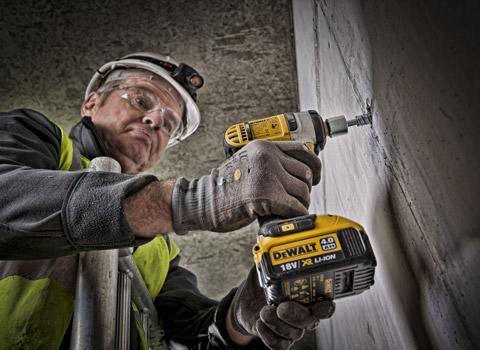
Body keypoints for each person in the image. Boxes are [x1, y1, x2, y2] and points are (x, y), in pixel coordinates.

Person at [0, 52, 335, 349]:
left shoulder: (159, 250)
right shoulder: (38, 139)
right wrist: (193, 201)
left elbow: (191, 335)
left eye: (170, 125)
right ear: (92, 103)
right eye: (141, 101)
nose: (156, 121)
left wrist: (241, 320)